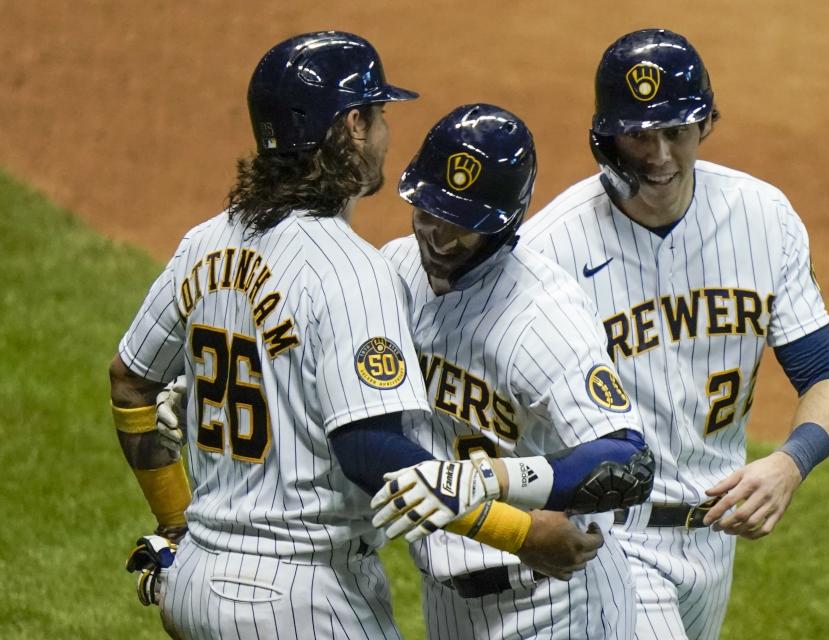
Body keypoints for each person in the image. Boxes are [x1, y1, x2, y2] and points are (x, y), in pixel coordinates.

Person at [110, 32, 604, 639]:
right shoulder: (352, 270)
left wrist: (176, 523)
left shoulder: (204, 242)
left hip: (195, 578)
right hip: (301, 599)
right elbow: (370, 455)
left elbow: (130, 380)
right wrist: (522, 532)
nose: (385, 133)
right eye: (378, 114)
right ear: (351, 127)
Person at [519, 29, 829, 640]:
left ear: (705, 125)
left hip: (713, 537)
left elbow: (825, 381)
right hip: (609, 540)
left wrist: (789, 463)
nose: (660, 154)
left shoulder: (763, 218)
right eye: (639, 134)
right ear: (606, 138)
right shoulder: (549, 250)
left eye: (677, 131)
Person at [374, 103, 656, 639]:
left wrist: (486, 479)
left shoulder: (544, 317)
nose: (438, 236)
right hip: (447, 599)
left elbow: (628, 460)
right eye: (429, 211)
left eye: (463, 227)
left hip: (554, 599)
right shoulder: (393, 270)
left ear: (504, 225)